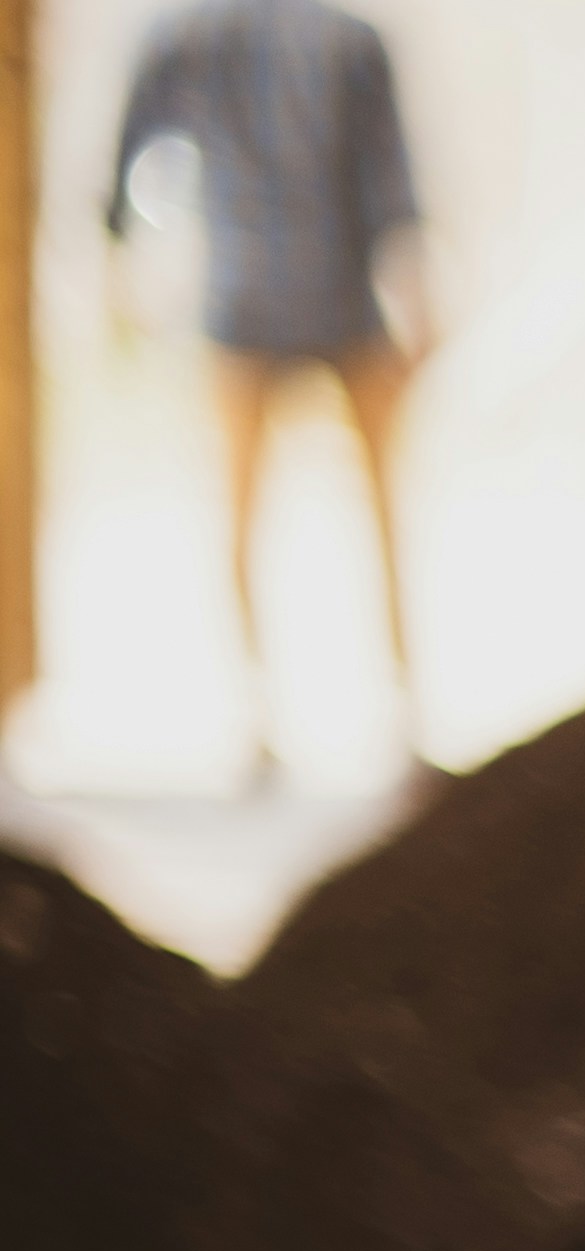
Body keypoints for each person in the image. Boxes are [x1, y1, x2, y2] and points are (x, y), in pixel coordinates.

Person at [106, 0, 433, 776]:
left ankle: (277, 714)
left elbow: (129, 152)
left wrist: (119, 250)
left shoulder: (195, 33)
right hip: (307, 297)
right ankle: (366, 708)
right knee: (365, 507)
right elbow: (391, 183)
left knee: (250, 513)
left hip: (257, 297)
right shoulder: (330, 38)